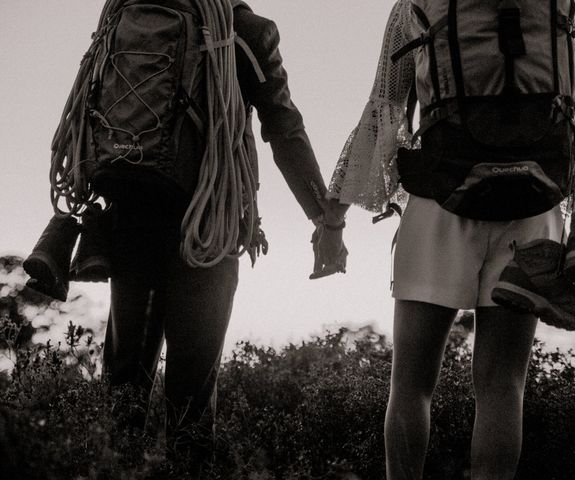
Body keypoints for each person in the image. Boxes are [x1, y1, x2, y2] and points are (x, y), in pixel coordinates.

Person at [23, 0, 347, 470]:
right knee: (191, 404)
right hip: (207, 231)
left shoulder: (125, 14)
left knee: (124, 390)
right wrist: (324, 217)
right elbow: (283, 127)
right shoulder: (242, 28)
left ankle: (115, 467)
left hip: (131, 219)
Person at [325, 1, 575, 478]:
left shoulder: (415, 5)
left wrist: (332, 218)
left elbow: (385, 106)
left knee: (412, 385)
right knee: (504, 385)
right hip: (534, 205)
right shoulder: (551, 4)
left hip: (442, 200)